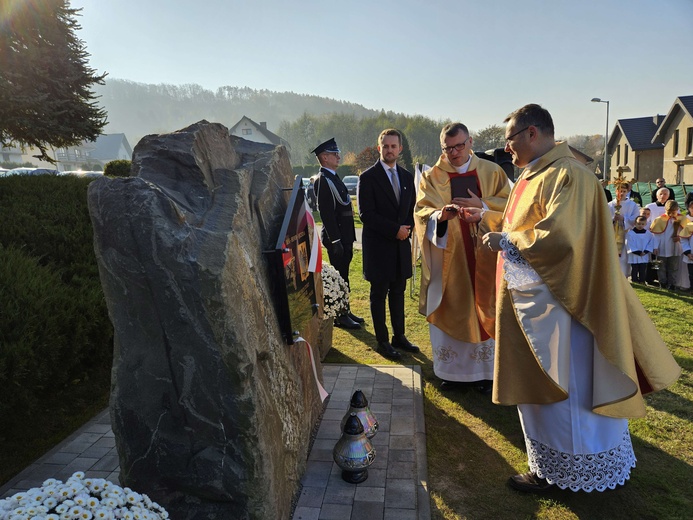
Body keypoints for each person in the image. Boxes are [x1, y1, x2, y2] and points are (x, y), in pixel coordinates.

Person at [462, 104, 680, 493]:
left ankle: (571, 469)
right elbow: (524, 226)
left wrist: (505, 241)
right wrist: (492, 222)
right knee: (542, 390)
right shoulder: (533, 174)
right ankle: (548, 465)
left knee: (568, 390)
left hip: (567, 308)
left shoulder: (570, 175)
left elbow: (561, 239)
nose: (507, 148)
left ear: (532, 133)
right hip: (536, 301)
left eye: (510, 139)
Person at [415, 122, 511, 393]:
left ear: (470, 142)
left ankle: (487, 373)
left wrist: (482, 206)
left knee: (488, 305)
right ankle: (452, 373)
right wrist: (439, 217)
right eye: (447, 148)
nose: (453, 153)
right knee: (453, 305)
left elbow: (513, 205)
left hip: (487, 255)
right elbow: (421, 211)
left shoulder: (492, 171)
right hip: (451, 258)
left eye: (458, 146)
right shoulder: (432, 176)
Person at [357, 129, 418, 360]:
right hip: (379, 248)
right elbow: (366, 214)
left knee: (399, 292)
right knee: (379, 294)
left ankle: (399, 336)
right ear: (379, 147)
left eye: (394, 146)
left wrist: (408, 228)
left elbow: (411, 209)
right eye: (386, 146)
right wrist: (395, 230)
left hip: (401, 248)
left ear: (400, 149)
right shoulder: (368, 177)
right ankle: (382, 341)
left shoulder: (406, 176)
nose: (389, 150)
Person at [311, 138, 363, 329]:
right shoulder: (323, 180)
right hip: (337, 238)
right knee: (340, 276)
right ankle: (341, 315)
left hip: (345, 236)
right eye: (334, 154)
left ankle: (346, 310)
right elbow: (326, 213)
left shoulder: (333, 177)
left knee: (345, 275)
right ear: (324, 157)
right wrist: (336, 240)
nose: (338, 156)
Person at [608, 182, 641, 277]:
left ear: (627, 192)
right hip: (613, 233)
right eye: (619, 191)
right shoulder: (610, 205)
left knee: (624, 256)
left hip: (626, 233)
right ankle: (612, 275)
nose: (621, 193)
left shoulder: (632, 205)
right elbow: (604, 218)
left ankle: (623, 275)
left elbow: (636, 219)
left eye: (624, 191)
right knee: (612, 254)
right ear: (616, 191)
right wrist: (613, 219)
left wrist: (624, 219)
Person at [651, 199, 685, 291]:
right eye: (669, 212)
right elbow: (656, 235)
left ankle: (672, 284)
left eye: (674, 211)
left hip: (676, 247)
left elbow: (688, 232)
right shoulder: (659, 220)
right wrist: (655, 247)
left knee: (673, 267)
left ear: (677, 209)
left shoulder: (682, 219)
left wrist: (680, 237)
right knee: (661, 266)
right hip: (662, 247)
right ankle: (663, 283)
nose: (672, 214)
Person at [625, 215, 654, 284]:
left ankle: (642, 281)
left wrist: (645, 251)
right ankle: (634, 280)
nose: (640, 225)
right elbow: (629, 243)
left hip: (644, 254)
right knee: (634, 268)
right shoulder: (630, 233)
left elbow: (651, 243)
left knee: (643, 269)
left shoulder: (648, 234)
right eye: (638, 224)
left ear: (645, 224)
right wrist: (637, 252)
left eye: (642, 224)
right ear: (635, 223)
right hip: (634, 254)